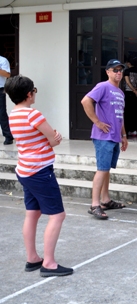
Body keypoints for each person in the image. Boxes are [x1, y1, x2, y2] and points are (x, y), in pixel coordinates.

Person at [5, 75, 73, 277]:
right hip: (40, 170)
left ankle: (32, 258)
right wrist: (55, 138)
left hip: (24, 169)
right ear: (29, 94)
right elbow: (53, 139)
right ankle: (49, 263)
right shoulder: (33, 115)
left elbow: (39, 139)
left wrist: (50, 138)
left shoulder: (13, 114)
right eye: (34, 90)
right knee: (57, 215)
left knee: (32, 213)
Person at [81, 59, 128, 220]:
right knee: (102, 168)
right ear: (108, 72)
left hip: (114, 136)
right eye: (115, 70)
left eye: (121, 70)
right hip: (103, 136)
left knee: (106, 168)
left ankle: (106, 200)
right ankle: (95, 204)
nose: (118, 72)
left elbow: (120, 116)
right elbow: (86, 101)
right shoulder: (103, 86)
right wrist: (97, 122)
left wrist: (124, 135)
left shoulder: (120, 92)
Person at [123, 57, 137, 136]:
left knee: (129, 112)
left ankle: (131, 129)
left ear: (128, 63)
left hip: (129, 94)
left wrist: (133, 90)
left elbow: (128, 82)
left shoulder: (126, 71)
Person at [0, 54, 14, 145]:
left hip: (0, 90)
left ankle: (8, 136)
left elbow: (7, 74)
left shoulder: (2, 60)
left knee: (1, 113)